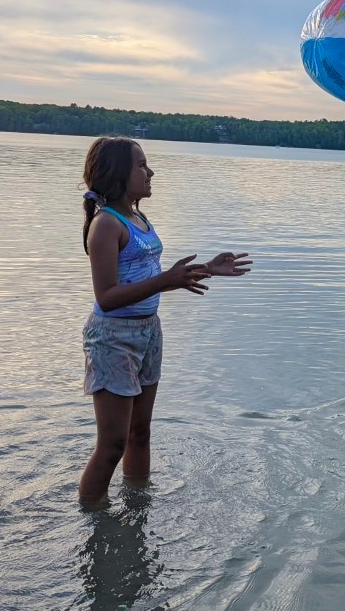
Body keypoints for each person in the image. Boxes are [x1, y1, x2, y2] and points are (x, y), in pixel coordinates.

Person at [78, 136, 251, 508]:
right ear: (118, 174)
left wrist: (208, 269)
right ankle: (93, 522)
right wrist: (167, 280)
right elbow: (106, 296)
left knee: (140, 433)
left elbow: (152, 276)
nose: (150, 171)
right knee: (112, 446)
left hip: (147, 332)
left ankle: (138, 508)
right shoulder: (106, 225)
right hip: (113, 338)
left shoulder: (137, 217)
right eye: (141, 165)